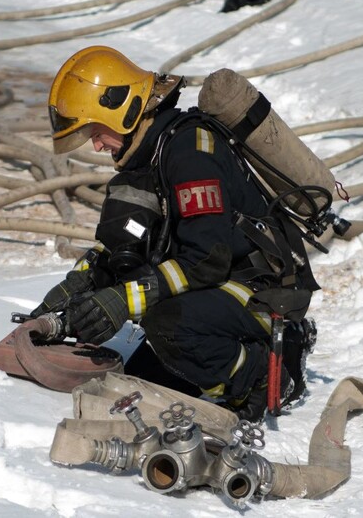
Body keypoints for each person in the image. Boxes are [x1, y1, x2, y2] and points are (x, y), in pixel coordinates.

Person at [32, 45, 319, 421]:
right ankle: (212, 358)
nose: (97, 145)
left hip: (261, 291)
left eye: (96, 131)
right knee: (140, 378)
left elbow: (207, 258)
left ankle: (263, 376)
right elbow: (126, 247)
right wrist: (79, 285)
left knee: (166, 324)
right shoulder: (149, 154)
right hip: (219, 282)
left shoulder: (190, 154)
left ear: (124, 110)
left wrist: (124, 300)